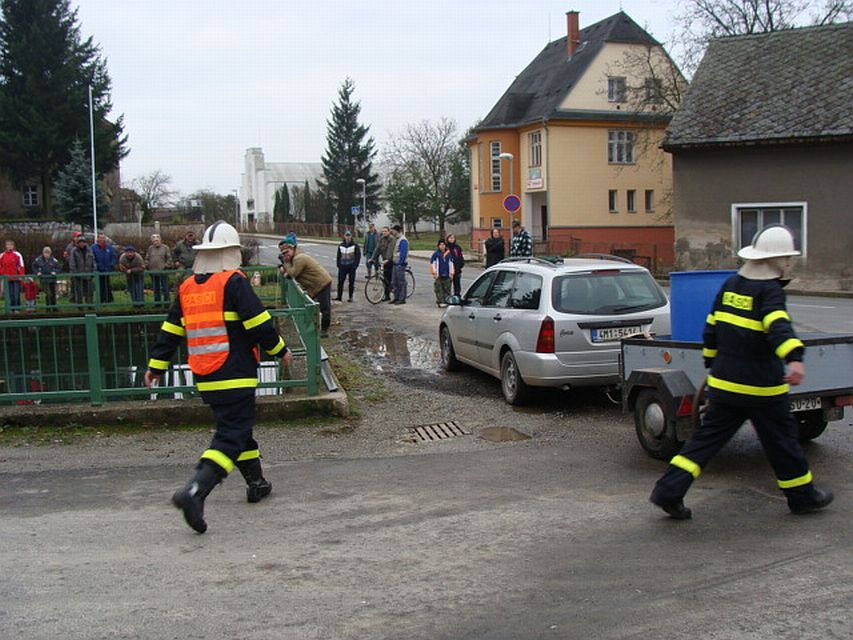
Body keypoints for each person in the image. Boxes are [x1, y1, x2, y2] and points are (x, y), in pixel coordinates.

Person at [650, 225, 833, 520]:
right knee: (783, 443)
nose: (789, 263)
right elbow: (778, 326)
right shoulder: (769, 291)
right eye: (787, 258)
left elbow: (711, 329)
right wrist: (795, 359)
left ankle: (668, 491)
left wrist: (712, 366)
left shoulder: (731, 285)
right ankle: (802, 497)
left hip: (725, 386)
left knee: (704, 443)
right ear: (775, 260)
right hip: (762, 389)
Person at [144, 221, 292, 534]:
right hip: (235, 372)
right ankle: (196, 491)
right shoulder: (234, 282)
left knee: (237, 428)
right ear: (231, 252)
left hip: (206, 375)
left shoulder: (187, 287)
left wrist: (156, 367)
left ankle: (256, 482)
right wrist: (280, 350)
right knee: (231, 435)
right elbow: (259, 324)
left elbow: (170, 332)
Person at [278, 232, 333, 338]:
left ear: (292, 249)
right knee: (311, 306)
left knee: (324, 308)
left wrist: (285, 264)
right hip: (314, 285)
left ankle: (324, 330)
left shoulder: (299, 258)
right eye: (283, 254)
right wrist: (286, 267)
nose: (286, 255)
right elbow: (290, 272)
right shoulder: (295, 258)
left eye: (287, 252)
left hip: (322, 283)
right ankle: (313, 327)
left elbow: (293, 273)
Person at [145, 234, 172, 307]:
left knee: (165, 288)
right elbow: (147, 258)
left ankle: (167, 303)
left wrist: (166, 266)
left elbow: (169, 258)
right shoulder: (150, 248)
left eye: (157, 240)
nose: (156, 242)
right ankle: (157, 304)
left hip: (163, 271)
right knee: (156, 289)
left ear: (160, 240)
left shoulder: (165, 247)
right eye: (154, 241)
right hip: (153, 271)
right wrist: (146, 265)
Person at [335, 229, 361, 302]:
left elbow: (358, 256)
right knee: (340, 282)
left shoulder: (355, 245)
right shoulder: (341, 245)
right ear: (344, 236)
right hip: (342, 266)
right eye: (346, 235)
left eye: (349, 235)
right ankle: (339, 296)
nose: (347, 237)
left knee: (351, 282)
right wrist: (338, 264)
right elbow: (338, 256)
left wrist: (355, 266)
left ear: (351, 236)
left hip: (351, 266)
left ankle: (350, 297)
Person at [69, 235, 95, 307]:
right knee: (79, 292)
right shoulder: (74, 251)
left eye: (83, 242)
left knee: (89, 291)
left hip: (88, 275)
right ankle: (80, 305)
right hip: (78, 275)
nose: (82, 244)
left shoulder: (89, 250)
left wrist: (93, 271)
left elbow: (93, 261)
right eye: (80, 242)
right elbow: (72, 263)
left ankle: (90, 305)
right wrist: (75, 273)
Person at [92, 232, 117, 304]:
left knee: (107, 284)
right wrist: (97, 266)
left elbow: (113, 256)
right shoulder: (93, 247)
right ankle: (101, 299)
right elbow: (92, 258)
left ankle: (108, 299)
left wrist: (112, 264)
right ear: (98, 239)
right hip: (99, 270)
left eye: (103, 238)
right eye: (101, 238)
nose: (102, 239)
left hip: (107, 269)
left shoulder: (109, 247)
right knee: (100, 285)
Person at [371, 226, 395, 302]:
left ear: (389, 231)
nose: (384, 232)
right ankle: (387, 296)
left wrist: (387, 259)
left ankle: (395, 292)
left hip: (391, 260)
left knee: (390, 278)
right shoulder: (381, 239)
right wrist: (372, 258)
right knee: (385, 279)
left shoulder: (391, 239)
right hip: (384, 260)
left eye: (385, 231)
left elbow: (390, 250)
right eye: (383, 231)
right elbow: (377, 249)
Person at [0, 239, 25, 310]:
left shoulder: (17, 254)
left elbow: (21, 265)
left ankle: (17, 308)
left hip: (16, 277)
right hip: (7, 278)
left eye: (10, 245)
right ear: (5, 246)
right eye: (8, 245)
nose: (9, 246)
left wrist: (21, 275)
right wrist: (3, 273)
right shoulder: (2, 255)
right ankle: (12, 308)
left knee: (16, 293)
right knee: (10, 294)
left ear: (13, 246)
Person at [430, 239, 455, 307]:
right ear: (438, 246)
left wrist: (452, 273)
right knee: (439, 288)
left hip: (447, 274)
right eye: (440, 245)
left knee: (447, 288)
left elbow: (451, 264)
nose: (442, 246)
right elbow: (433, 264)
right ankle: (440, 301)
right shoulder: (436, 254)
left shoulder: (449, 254)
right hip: (439, 274)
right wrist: (434, 273)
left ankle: (447, 301)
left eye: (443, 245)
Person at [389, 224, 409, 305]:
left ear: (397, 231)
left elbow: (403, 253)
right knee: (394, 281)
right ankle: (396, 297)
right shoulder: (397, 239)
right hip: (395, 263)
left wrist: (400, 263)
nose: (392, 232)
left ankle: (402, 298)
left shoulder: (403, 240)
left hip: (400, 264)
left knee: (401, 282)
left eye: (393, 230)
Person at [445, 233, 465, 297]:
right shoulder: (446, 248)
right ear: (447, 239)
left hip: (457, 269)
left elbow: (460, 256)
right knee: (447, 285)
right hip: (448, 270)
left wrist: (461, 264)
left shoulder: (457, 247)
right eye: (450, 238)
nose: (452, 239)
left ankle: (457, 295)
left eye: (453, 238)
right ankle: (447, 296)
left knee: (457, 284)